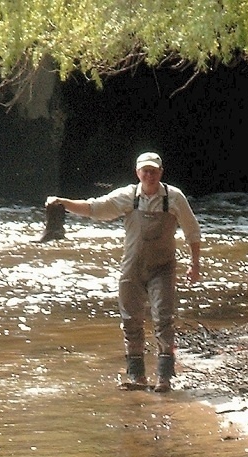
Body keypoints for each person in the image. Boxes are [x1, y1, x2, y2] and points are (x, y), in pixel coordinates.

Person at [46, 152, 201, 392]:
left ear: (161, 173)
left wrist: (195, 264)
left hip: (163, 268)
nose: (149, 175)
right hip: (132, 267)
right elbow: (94, 208)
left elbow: (192, 231)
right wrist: (63, 203)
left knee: (163, 319)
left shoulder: (174, 197)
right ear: (138, 173)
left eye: (154, 171)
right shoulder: (128, 196)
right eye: (145, 171)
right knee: (130, 321)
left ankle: (164, 378)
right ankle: (137, 376)